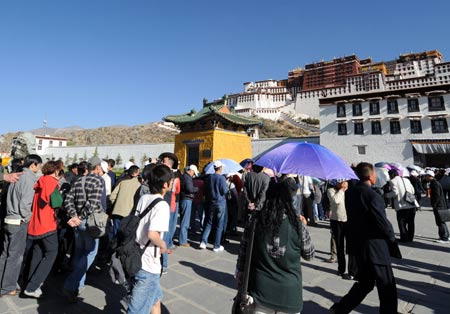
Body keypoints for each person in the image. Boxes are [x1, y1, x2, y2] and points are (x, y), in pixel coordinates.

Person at [236, 180, 315, 313]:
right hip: (290, 295)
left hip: (260, 291)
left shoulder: (255, 221)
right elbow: (309, 254)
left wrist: (240, 272)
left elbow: (244, 252)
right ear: (290, 200)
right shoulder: (297, 225)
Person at [331, 162, 399, 314]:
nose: (376, 177)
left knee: (365, 283)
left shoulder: (350, 193)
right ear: (370, 176)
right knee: (386, 285)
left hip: (358, 245)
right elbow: (382, 222)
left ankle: (341, 308)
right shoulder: (373, 195)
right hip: (376, 246)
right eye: (375, 174)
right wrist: (392, 238)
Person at [127, 164, 173, 314]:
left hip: (136, 252)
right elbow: (152, 234)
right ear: (165, 184)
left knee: (155, 300)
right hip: (148, 264)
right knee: (137, 310)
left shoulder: (144, 197)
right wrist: (163, 244)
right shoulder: (162, 205)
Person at [62, 156, 105, 303]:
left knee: (79, 252)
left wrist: (74, 215)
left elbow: (68, 200)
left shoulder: (79, 180)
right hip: (89, 222)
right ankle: (71, 284)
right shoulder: (99, 181)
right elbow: (93, 203)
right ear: (97, 167)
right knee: (90, 253)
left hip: (78, 223)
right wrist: (79, 216)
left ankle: (78, 285)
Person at [0, 154, 42, 297]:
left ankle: (2, 283)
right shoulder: (29, 179)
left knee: (5, 254)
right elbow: (25, 204)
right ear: (33, 165)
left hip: (8, 218)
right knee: (15, 257)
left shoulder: (16, 176)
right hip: (18, 221)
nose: (39, 168)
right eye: (39, 165)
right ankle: (8, 287)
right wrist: (27, 217)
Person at [23, 160, 64, 298]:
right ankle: (32, 286)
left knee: (38, 252)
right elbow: (57, 203)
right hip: (47, 224)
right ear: (57, 170)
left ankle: (30, 282)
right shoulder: (52, 183)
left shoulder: (40, 181)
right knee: (52, 253)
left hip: (35, 224)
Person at [327, 179, 354, 280]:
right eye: (340, 181)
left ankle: (352, 270)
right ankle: (341, 269)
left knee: (351, 246)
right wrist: (341, 190)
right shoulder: (331, 191)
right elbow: (336, 201)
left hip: (348, 220)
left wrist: (345, 189)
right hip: (336, 220)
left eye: (344, 181)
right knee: (339, 245)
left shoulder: (350, 190)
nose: (342, 183)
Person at [199, 160, 228, 252]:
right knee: (219, 224)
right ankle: (216, 245)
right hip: (220, 202)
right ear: (220, 168)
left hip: (211, 202)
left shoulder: (209, 178)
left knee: (209, 222)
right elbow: (224, 191)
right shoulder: (222, 178)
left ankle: (203, 242)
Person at [384, 169, 418, 242]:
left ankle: (404, 238)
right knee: (411, 222)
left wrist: (386, 195)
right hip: (411, 202)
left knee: (401, 222)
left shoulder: (393, 181)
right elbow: (413, 190)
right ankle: (410, 237)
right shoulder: (406, 179)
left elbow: (395, 192)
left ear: (391, 175)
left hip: (402, 204)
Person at [110, 165, 141, 236]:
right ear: (136, 173)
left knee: (115, 234)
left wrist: (117, 204)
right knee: (124, 236)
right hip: (128, 213)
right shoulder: (138, 185)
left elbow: (112, 196)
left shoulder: (122, 182)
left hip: (117, 212)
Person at [424, 170, 450, 243]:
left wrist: (434, 204)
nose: (425, 177)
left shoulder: (434, 183)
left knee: (440, 221)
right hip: (441, 204)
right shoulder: (435, 182)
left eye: (426, 176)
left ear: (429, 176)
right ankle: (446, 236)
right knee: (442, 221)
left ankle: (444, 238)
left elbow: (437, 195)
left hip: (439, 205)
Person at [178, 165, 199, 247]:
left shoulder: (184, 176)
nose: (194, 174)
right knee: (185, 221)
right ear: (191, 171)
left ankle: (182, 239)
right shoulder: (188, 177)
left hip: (184, 199)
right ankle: (183, 240)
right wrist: (196, 189)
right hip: (187, 199)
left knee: (184, 220)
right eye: (194, 172)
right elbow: (190, 189)